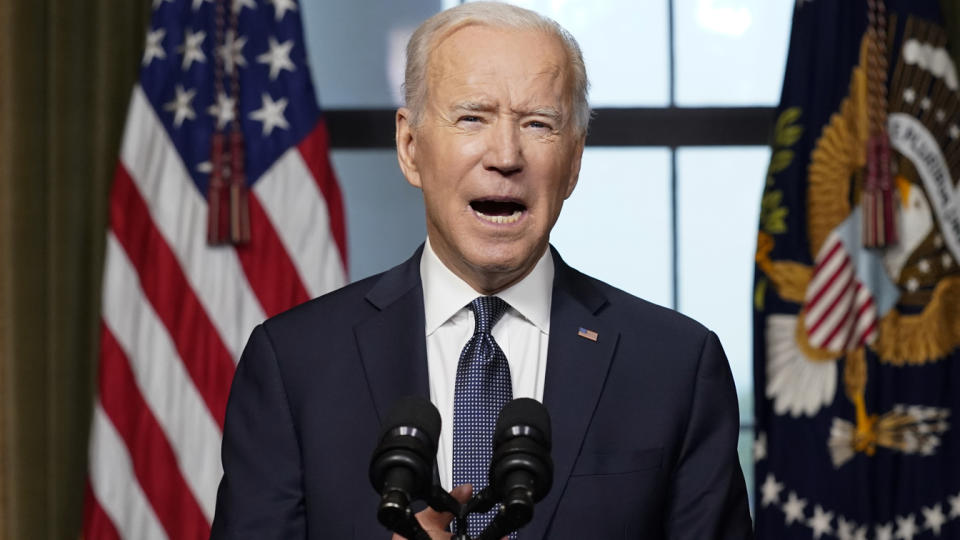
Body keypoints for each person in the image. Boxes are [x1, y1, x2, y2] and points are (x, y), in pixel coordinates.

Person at [210, 2, 753, 539]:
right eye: (472, 117)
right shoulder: (294, 364)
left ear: (574, 160)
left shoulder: (676, 366)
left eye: (538, 124)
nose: (505, 155)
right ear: (410, 146)